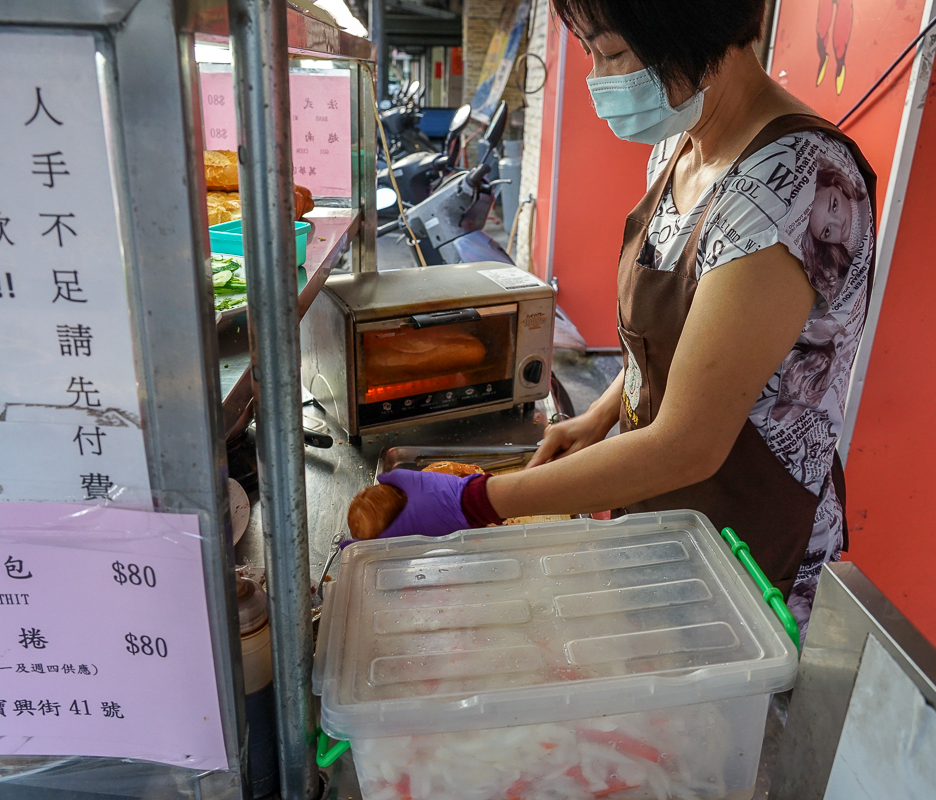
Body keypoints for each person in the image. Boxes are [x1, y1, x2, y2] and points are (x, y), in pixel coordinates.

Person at [369, 0, 877, 636]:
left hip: (747, 532)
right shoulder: (679, 145)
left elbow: (689, 443)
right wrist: (600, 415)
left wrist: (475, 501)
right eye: (588, 50)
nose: (596, 76)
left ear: (696, 33)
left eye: (610, 52)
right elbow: (682, 341)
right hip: (667, 507)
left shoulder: (794, 186)